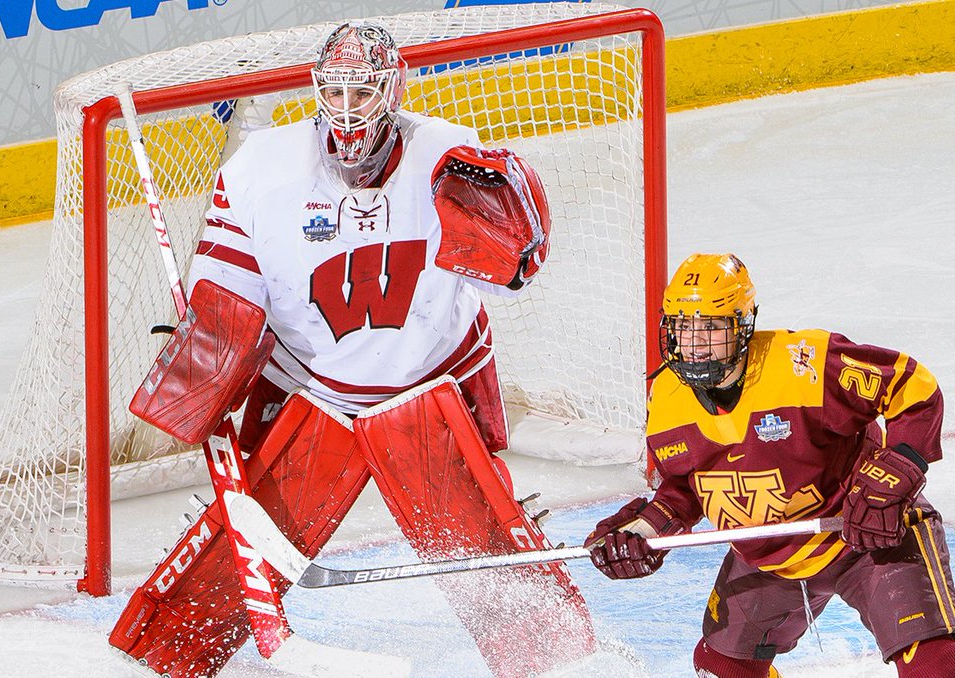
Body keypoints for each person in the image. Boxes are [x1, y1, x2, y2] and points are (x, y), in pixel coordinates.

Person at [109, 21, 595, 677]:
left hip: (428, 390)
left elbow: (508, 278)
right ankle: (168, 653)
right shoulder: (260, 171)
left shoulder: (446, 155)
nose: (345, 110)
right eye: (333, 92)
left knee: (488, 556)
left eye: (362, 92)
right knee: (247, 544)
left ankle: (555, 659)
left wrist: (513, 229)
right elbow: (227, 302)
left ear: (393, 89)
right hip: (312, 392)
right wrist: (204, 358)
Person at [584, 252, 954, 677]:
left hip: (864, 533)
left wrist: (895, 470)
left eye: (712, 325)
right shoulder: (666, 397)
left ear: (743, 326)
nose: (695, 342)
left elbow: (912, 385)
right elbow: (688, 484)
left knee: (935, 665)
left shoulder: (805, 363)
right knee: (722, 667)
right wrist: (646, 529)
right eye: (683, 327)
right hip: (770, 553)